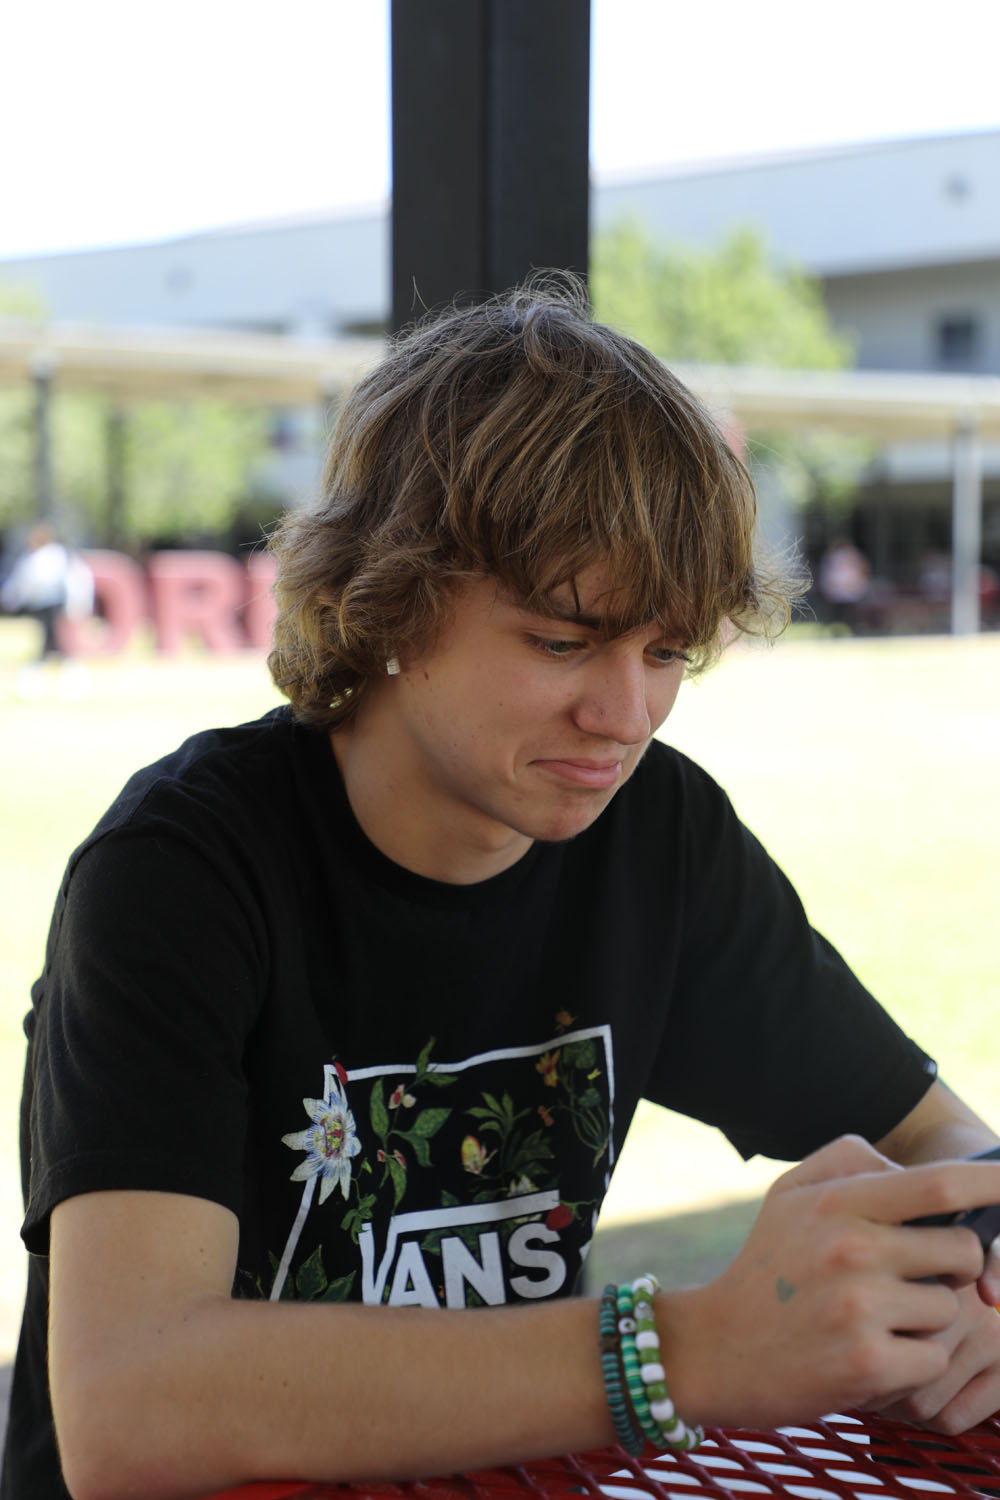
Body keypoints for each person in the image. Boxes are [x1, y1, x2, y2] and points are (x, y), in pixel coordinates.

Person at [4, 285, 1000, 1500]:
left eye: (666, 650)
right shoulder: (184, 871)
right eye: (563, 642)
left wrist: (972, 1282)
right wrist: (679, 1351)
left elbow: (945, 1148)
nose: (624, 717)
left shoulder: (657, 838)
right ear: (390, 598)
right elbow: (129, 1409)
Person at [0, 523, 93, 698]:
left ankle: (37, 684)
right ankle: (64, 683)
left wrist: (10, 599)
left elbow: (26, 582)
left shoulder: (46, 557)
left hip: (51, 605)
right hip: (49, 606)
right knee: (53, 644)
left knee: (51, 644)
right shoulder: (56, 555)